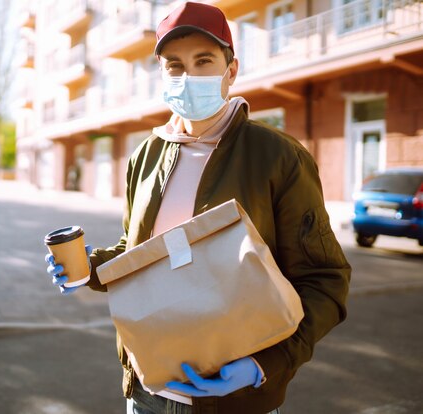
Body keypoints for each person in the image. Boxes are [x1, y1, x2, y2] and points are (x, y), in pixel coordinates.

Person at [45, 2, 351, 413]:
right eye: (174, 65)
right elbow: (140, 253)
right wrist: (89, 268)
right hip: (147, 392)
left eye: (203, 61)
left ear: (231, 70)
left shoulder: (277, 157)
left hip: (238, 399)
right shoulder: (146, 156)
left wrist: (264, 364)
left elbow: (325, 281)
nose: (187, 76)